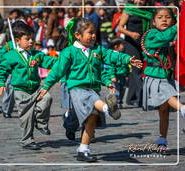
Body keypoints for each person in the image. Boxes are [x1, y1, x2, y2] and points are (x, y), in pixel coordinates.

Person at [37, 18, 142, 162]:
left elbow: (110, 56)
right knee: (94, 101)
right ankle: (107, 108)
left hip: (93, 89)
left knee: (91, 120)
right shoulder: (69, 52)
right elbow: (57, 70)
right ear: (77, 35)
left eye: (95, 33)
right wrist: (45, 87)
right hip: (77, 89)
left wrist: (126, 59)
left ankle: (83, 149)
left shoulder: (97, 50)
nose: (93, 36)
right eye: (90, 33)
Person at [0, 23, 57, 150]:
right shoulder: (11, 55)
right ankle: (27, 140)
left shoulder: (36, 54)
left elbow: (49, 61)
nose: (31, 41)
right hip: (21, 90)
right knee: (27, 116)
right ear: (17, 41)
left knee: (47, 98)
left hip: (36, 88)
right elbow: (2, 70)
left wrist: (63, 60)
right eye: (27, 39)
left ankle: (41, 123)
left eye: (32, 39)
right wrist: (1, 84)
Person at [141, 8, 185, 153]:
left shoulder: (170, 35)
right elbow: (164, 38)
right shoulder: (152, 34)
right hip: (154, 76)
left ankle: (162, 139)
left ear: (172, 20)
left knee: (164, 111)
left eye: (168, 17)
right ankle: (183, 109)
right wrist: (177, 26)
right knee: (169, 97)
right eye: (160, 17)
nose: (164, 20)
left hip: (165, 76)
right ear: (153, 21)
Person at [118, 0, 153, 107]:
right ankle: (141, 99)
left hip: (145, 42)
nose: (139, 1)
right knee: (136, 70)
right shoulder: (129, 9)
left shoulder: (149, 11)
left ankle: (131, 98)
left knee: (142, 69)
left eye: (142, 0)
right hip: (131, 43)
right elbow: (120, 27)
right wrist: (131, 34)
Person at [106, 37, 130, 109]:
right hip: (115, 77)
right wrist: (112, 76)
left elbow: (126, 66)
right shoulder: (112, 55)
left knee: (123, 90)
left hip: (123, 76)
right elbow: (111, 67)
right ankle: (113, 103)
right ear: (116, 46)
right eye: (122, 45)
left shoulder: (122, 54)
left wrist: (127, 73)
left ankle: (119, 102)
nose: (124, 46)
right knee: (115, 91)